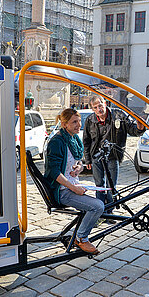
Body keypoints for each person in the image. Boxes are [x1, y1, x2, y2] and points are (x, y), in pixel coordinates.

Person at [44, 108, 104, 254]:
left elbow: (77, 161)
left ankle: (81, 232)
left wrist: (79, 167)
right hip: (62, 191)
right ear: (64, 124)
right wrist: (74, 188)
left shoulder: (74, 138)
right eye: (74, 122)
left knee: (102, 195)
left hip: (73, 184)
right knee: (98, 206)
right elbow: (54, 172)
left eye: (79, 121)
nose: (79, 125)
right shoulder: (57, 142)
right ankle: (81, 238)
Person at [83, 95, 145, 211]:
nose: (99, 109)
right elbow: (86, 141)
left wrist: (140, 128)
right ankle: (100, 210)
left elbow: (132, 130)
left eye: (100, 105)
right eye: (95, 107)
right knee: (99, 185)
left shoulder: (119, 115)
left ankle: (109, 210)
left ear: (105, 103)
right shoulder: (90, 120)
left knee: (112, 186)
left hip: (113, 155)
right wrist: (87, 159)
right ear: (92, 109)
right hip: (96, 156)